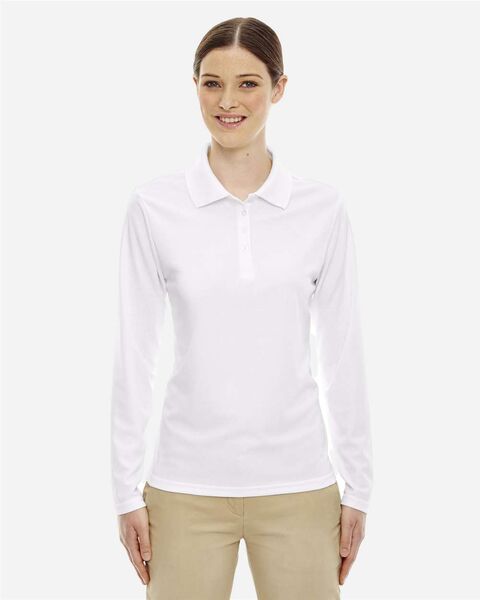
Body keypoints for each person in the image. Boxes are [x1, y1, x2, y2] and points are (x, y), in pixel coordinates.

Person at [110, 16, 373, 600]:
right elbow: (135, 354)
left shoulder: (322, 210)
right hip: (184, 487)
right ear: (195, 87)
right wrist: (125, 492)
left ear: (279, 88)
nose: (228, 101)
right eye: (212, 83)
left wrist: (358, 487)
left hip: (300, 485)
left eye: (248, 83)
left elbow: (343, 353)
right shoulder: (154, 208)